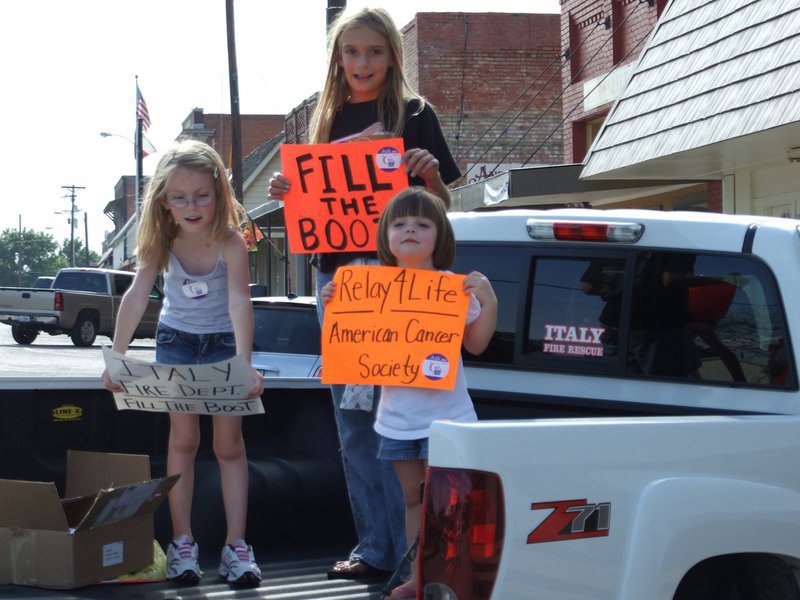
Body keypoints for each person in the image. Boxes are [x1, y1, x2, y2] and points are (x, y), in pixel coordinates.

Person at [268, 6, 461, 581]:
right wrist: (289, 194)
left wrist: (428, 178)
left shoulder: (414, 114)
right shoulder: (322, 120)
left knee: (398, 419)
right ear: (338, 58)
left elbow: (443, 211)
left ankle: (412, 558)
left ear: (391, 56)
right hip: (341, 287)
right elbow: (314, 216)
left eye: (373, 52)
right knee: (353, 419)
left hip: (402, 288)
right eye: (351, 52)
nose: (361, 63)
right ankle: (376, 547)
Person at [102, 139, 264, 586]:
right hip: (176, 344)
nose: (191, 206)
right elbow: (137, 297)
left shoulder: (231, 241)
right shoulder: (161, 240)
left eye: (202, 196)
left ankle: (236, 545)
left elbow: (238, 303)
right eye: (180, 197)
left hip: (224, 345)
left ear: (219, 195)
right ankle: (183, 542)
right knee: (184, 440)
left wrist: (246, 363)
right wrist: (116, 357)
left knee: (229, 446)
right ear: (164, 202)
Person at [322, 187, 498, 598]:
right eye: (399, 224)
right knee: (414, 502)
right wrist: (334, 306)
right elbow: (350, 347)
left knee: (453, 507)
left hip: (450, 420)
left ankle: (454, 577)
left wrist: (488, 302)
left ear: (441, 236)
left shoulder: (454, 289)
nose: (410, 231)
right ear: (385, 236)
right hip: (396, 423)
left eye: (422, 224)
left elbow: (476, 345)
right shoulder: (365, 288)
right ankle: (418, 579)